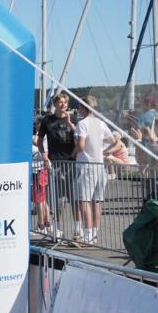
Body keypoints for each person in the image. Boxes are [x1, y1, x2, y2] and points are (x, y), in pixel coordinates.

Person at [74, 96, 118, 244]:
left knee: (84, 200)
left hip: (87, 166)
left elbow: (81, 145)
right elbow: (114, 140)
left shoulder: (82, 123)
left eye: (80, 106)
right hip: (99, 166)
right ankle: (94, 233)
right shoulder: (101, 123)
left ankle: (87, 234)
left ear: (84, 107)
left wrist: (71, 155)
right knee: (97, 201)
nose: (79, 109)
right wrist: (104, 152)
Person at [36, 92, 79, 239]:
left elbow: (80, 138)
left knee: (74, 197)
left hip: (72, 163)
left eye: (65, 102)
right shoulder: (47, 120)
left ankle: (77, 228)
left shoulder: (73, 118)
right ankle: (58, 227)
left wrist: (70, 123)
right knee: (57, 199)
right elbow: (40, 140)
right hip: (55, 163)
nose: (63, 105)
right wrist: (43, 154)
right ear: (55, 104)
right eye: (60, 102)